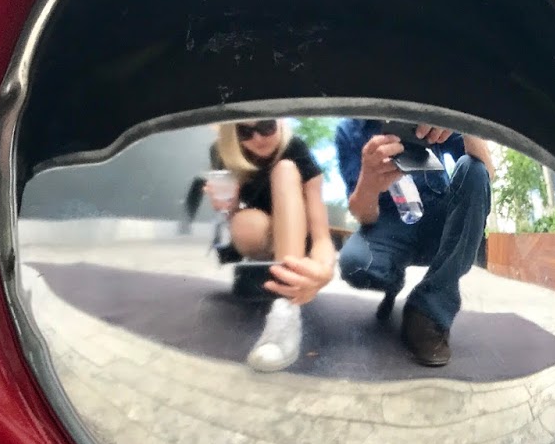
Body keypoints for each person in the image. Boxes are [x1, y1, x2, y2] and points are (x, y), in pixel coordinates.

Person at [335, 120, 494, 367]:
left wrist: (461, 119)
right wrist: (369, 182)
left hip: (440, 215)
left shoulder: (429, 107)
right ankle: (392, 280)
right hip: (387, 223)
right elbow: (363, 215)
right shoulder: (349, 130)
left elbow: (486, 174)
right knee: (355, 263)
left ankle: (430, 309)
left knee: (474, 169)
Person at [199, 119, 336, 373]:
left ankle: (286, 307)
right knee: (245, 224)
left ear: (279, 121)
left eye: (266, 126)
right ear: (233, 133)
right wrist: (227, 207)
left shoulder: (295, 149)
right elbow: (231, 223)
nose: (258, 138)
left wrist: (324, 270)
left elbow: (321, 237)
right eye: (245, 131)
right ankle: (277, 280)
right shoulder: (222, 152)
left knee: (285, 168)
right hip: (258, 235)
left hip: (300, 245)